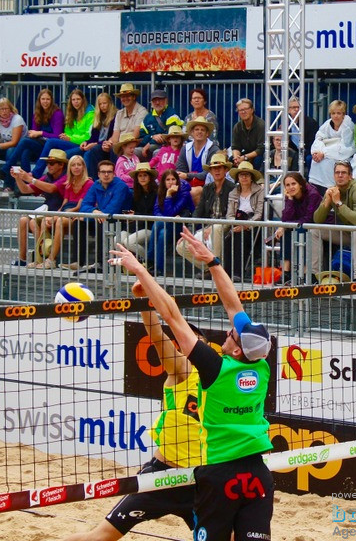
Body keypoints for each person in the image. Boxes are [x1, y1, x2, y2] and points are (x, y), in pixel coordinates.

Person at [110, 229, 274, 541]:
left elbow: (172, 315)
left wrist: (141, 271)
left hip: (219, 474)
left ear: (237, 349)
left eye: (233, 334)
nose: (229, 331)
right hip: (257, 474)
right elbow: (233, 304)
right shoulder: (262, 366)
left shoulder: (214, 369)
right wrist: (212, 261)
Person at [61, 310, 203, 541]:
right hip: (162, 478)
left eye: (194, 338)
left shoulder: (218, 379)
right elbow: (158, 338)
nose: (186, 342)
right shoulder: (181, 370)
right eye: (182, 339)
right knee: (101, 537)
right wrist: (147, 308)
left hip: (199, 480)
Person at [310, 160, 356, 282]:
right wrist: (327, 202)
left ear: (350, 176)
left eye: (344, 173)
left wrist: (338, 202)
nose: (340, 175)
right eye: (337, 172)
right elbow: (317, 220)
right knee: (315, 230)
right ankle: (314, 275)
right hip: (350, 233)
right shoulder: (333, 190)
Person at [13, 149, 68, 267]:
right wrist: (18, 178)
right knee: (23, 221)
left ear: (61, 164)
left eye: (52, 163)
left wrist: (30, 179)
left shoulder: (66, 177)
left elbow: (52, 188)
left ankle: (43, 258)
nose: (49, 166)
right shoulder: (46, 177)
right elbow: (26, 190)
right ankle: (23, 259)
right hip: (48, 211)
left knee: (34, 222)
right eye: (48, 163)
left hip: (61, 213)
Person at [76, 159, 132, 272]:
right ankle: (79, 262)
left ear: (114, 174)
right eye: (103, 172)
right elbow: (85, 205)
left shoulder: (121, 186)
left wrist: (98, 214)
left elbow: (113, 209)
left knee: (102, 222)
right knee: (78, 222)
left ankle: (101, 263)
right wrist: (94, 212)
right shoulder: (96, 185)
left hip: (120, 221)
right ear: (98, 174)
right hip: (102, 217)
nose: (106, 175)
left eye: (109, 172)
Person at [32, 88, 94, 178]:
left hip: (83, 144)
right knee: (28, 145)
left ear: (83, 100)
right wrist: (66, 137)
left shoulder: (90, 114)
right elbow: (67, 131)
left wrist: (71, 138)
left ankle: (36, 174)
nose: (76, 102)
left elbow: (88, 136)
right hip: (71, 142)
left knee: (54, 146)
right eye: (73, 100)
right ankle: (39, 177)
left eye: (78, 99)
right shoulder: (71, 113)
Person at [48, 156, 95, 271]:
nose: (76, 167)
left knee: (59, 221)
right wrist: (56, 214)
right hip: (67, 212)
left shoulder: (89, 183)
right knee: (45, 221)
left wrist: (62, 215)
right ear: (70, 168)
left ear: (84, 167)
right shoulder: (69, 183)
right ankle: (40, 258)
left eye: (79, 165)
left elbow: (79, 206)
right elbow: (64, 203)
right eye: (73, 165)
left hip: (78, 213)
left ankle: (51, 259)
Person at [274, 171, 322, 278]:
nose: (291, 187)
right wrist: (290, 200)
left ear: (300, 184)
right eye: (287, 185)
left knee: (298, 230)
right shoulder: (290, 196)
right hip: (300, 224)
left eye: (293, 184)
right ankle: (286, 271)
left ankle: (304, 274)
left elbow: (309, 218)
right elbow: (286, 218)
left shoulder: (312, 194)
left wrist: (285, 225)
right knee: (285, 231)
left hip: (316, 226)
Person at [11, 88, 65, 180]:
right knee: (25, 152)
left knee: (24, 142)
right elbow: (33, 133)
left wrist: (40, 133)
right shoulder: (37, 113)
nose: (45, 102)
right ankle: (27, 181)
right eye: (43, 99)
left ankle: (9, 167)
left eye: (48, 99)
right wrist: (35, 134)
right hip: (40, 144)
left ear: (51, 100)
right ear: (39, 101)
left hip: (52, 146)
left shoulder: (57, 113)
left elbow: (57, 136)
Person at [225, 161, 265, 281]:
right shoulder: (233, 192)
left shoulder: (259, 191)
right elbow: (229, 214)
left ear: (251, 177)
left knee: (240, 237)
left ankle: (238, 272)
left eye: (247, 175)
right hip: (237, 223)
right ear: (238, 177)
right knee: (228, 239)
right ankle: (226, 274)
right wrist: (236, 223)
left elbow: (259, 214)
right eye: (241, 175)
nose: (244, 177)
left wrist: (246, 225)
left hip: (254, 225)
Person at [152, 168, 196, 274]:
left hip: (181, 227)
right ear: (164, 181)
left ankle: (150, 259)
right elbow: (156, 211)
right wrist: (164, 219)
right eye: (168, 179)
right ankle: (159, 269)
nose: (171, 182)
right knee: (162, 233)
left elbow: (171, 213)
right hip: (166, 226)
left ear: (177, 181)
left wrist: (168, 195)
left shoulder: (184, 193)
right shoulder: (161, 191)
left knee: (158, 223)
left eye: (173, 179)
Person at [308, 100, 355, 191]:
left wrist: (324, 153)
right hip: (326, 153)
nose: (336, 116)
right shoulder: (327, 124)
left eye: (338, 113)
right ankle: (316, 188)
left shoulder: (349, 127)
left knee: (328, 162)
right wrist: (317, 152)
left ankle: (331, 188)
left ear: (343, 114)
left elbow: (345, 146)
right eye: (333, 113)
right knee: (314, 161)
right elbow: (318, 138)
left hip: (343, 156)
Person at [119, 162, 158, 265]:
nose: (142, 178)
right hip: (135, 226)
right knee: (117, 239)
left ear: (150, 177)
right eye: (140, 176)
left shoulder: (157, 193)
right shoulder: (135, 193)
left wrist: (136, 215)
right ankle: (129, 264)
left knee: (129, 242)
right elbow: (134, 211)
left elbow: (156, 215)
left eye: (145, 175)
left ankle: (149, 262)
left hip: (150, 227)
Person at [177, 118, 220, 203]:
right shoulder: (185, 148)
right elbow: (180, 170)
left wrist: (187, 176)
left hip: (208, 184)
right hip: (188, 183)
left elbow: (208, 173)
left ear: (207, 134)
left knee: (193, 192)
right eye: (196, 129)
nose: (199, 132)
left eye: (202, 130)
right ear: (192, 133)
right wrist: (184, 176)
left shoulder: (213, 149)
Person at [82, 92, 118, 178]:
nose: (102, 106)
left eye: (104, 103)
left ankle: (92, 180)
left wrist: (96, 144)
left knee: (90, 152)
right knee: (79, 152)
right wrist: (86, 142)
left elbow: (113, 137)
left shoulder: (116, 116)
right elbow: (93, 137)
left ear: (110, 103)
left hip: (108, 146)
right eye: (100, 104)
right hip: (97, 145)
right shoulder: (98, 117)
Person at [139, 88, 180, 161]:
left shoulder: (171, 113)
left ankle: (157, 172)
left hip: (169, 146)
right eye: (154, 100)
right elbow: (141, 138)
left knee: (156, 151)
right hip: (151, 145)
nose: (157, 103)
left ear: (166, 101)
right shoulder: (148, 118)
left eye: (160, 100)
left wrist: (150, 142)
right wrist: (152, 137)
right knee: (135, 152)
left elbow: (170, 135)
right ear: (151, 102)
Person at [229, 98, 263, 168]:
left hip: (259, 154)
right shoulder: (237, 126)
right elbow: (235, 146)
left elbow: (261, 149)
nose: (243, 112)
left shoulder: (261, 125)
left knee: (258, 161)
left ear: (252, 110)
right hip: (246, 153)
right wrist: (236, 158)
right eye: (241, 110)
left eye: (246, 109)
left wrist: (245, 157)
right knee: (231, 161)